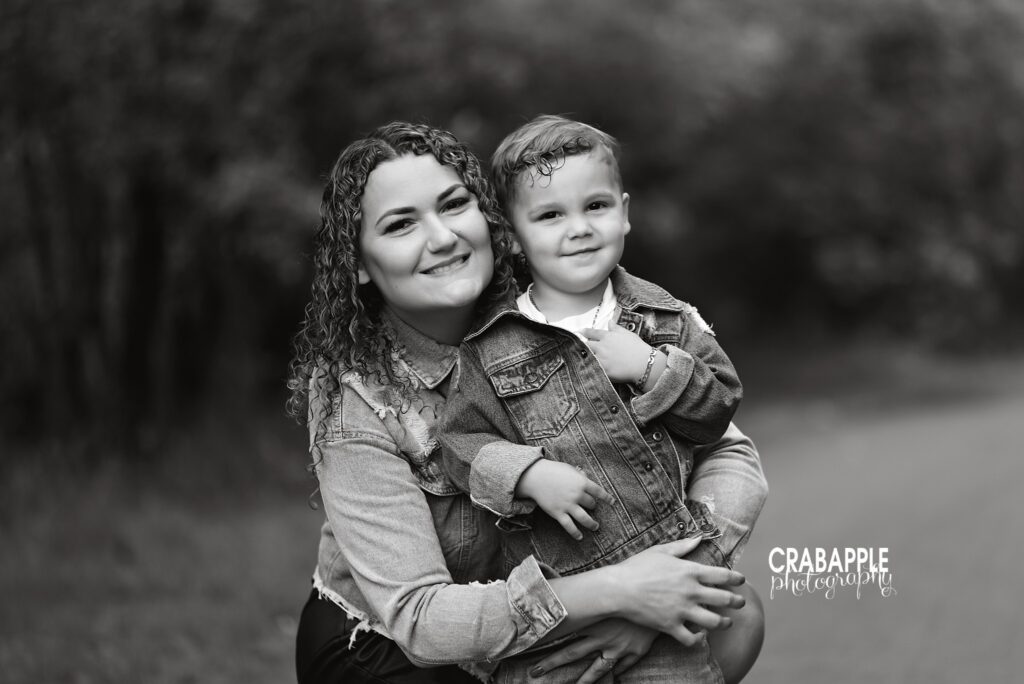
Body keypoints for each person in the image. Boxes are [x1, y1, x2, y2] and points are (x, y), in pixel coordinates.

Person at [287, 121, 758, 684]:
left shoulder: (557, 304)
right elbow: (421, 620)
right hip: (394, 651)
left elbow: (727, 451)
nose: (442, 237)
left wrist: (674, 585)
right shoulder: (357, 396)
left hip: (552, 617)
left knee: (735, 616)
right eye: (400, 225)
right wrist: (621, 593)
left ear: (492, 220)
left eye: (453, 204)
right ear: (361, 263)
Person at [438, 115, 768, 682]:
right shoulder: (492, 344)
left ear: (624, 211)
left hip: (671, 584)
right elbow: (460, 442)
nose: (580, 228)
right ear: (512, 236)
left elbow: (719, 409)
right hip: (566, 609)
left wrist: (651, 366)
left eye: (596, 206)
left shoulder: (665, 318)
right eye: (550, 215)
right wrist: (526, 474)